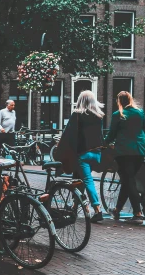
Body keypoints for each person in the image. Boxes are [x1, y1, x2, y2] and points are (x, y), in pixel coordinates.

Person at [56, 90, 105, 223]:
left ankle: (97, 210)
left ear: (80, 101)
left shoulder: (77, 115)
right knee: (80, 178)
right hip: (96, 154)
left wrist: (61, 147)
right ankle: (74, 206)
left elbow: (69, 135)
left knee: (87, 180)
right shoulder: (99, 116)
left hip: (83, 154)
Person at [104, 91, 145, 224]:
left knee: (129, 181)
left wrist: (104, 144)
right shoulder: (140, 113)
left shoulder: (118, 115)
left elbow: (111, 134)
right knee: (127, 180)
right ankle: (117, 210)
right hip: (139, 151)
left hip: (124, 152)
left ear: (119, 101)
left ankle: (138, 213)